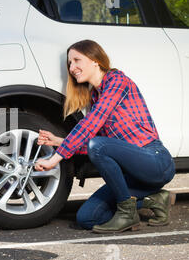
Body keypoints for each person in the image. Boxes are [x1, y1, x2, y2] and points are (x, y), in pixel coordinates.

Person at [34, 39, 175, 233]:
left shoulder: (116, 80)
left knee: (97, 144)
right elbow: (99, 148)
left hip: (155, 161)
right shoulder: (95, 97)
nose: (72, 67)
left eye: (77, 60)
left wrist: (54, 159)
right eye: (69, 63)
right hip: (132, 177)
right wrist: (59, 142)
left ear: (95, 60)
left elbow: (94, 131)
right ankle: (155, 199)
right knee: (87, 218)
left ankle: (127, 214)